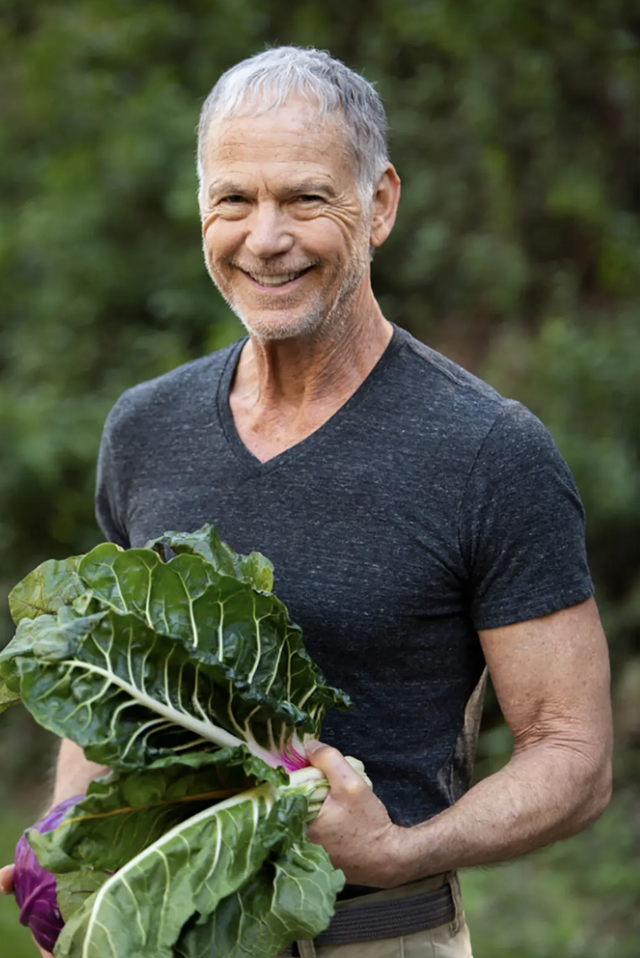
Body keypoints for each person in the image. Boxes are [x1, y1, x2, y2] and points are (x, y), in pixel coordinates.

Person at [1, 46, 612, 958]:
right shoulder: (145, 429)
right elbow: (107, 690)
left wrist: (402, 849)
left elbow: (576, 756)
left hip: (379, 936)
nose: (264, 236)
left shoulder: (488, 451)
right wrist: (72, 848)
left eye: (305, 198)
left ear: (379, 206)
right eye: (234, 200)